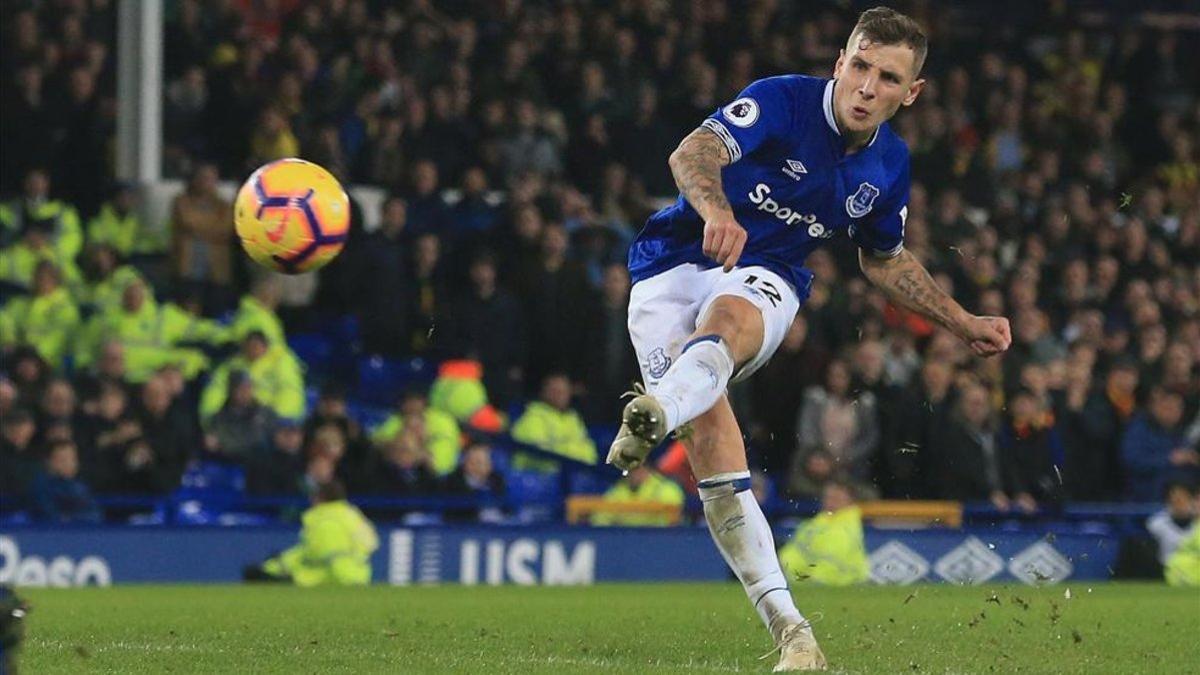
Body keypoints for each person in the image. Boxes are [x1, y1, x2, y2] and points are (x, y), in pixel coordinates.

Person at [605, 8, 1011, 670]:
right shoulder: (783, 100)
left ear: (912, 93)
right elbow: (693, 151)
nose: (867, 86)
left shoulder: (889, 165)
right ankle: (797, 634)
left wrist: (961, 320)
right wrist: (717, 210)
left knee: (728, 327)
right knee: (715, 456)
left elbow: (882, 258)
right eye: (859, 66)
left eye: (887, 77)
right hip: (669, 269)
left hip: (766, 275)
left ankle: (656, 412)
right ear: (840, 62)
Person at [243, 480, 379, 587]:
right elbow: (307, 552)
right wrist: (274, 565)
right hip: (358, 575)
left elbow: (334, 561)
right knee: (259, 573)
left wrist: (275, 569)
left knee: (256, 576)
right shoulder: (351, 517)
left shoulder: (326, 522)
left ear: (318, 498)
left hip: (329, 580)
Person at [778, 481, 870, 587]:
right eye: (829, 497)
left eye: (837, 498)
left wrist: (812, 581)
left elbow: (833, 564)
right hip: (804, 583)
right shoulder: (814, 523)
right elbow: (794, 553)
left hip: (845, 586)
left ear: (850, 501)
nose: (831, 501)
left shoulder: (847, 527)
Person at [511, 372, 597, 471]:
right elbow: (542, 455)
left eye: (564, 391)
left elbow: (591, 455)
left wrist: (566, 452)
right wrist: (573, 454)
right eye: (555, 391)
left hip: (570, 478)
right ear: (545, 392)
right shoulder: (533, 416)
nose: (560, 396)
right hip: (537, 477)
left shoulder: (573, 419)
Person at [591, 465, 685, 527]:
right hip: (625, 542)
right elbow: (600, 520)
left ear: (647, 467)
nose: (634, 473)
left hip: (658, 540)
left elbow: (674, 521)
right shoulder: (619, 490)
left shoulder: (665, 489)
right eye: (630, 469)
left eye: (637, 467)